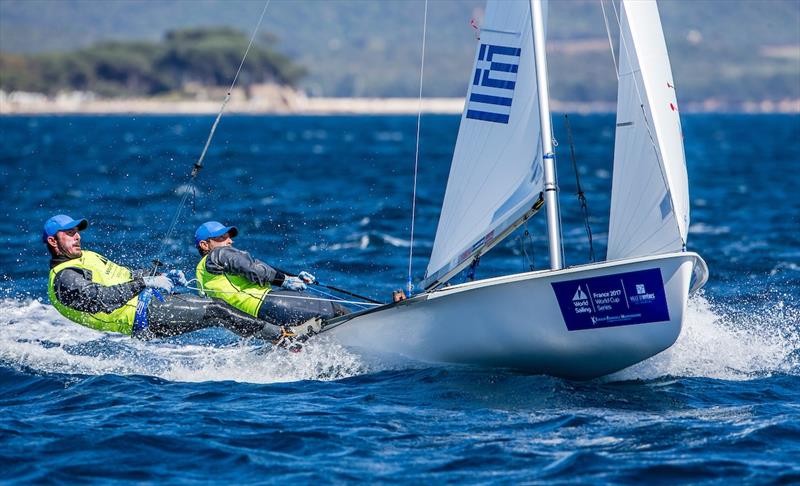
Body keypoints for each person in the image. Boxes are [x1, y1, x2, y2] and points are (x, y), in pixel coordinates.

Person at [44, 214, 298, 342]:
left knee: (221, 310)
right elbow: (103, 300)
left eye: (76, 232)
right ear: (53, 241)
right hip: (141, 318)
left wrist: (156, 276)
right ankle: (282, 339)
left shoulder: (86, 256)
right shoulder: (65, 278)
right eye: (69, 233)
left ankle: (278, 332)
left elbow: (124, 275)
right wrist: (144, 283)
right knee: (216, 309)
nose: (77, 236)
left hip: (151, 302)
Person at [194, 221, 348, 327]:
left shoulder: (202, 272)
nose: (229, 241)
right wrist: (284, 281)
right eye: (222, 237)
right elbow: (253, 269)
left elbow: (254, 269)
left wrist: (291, 277)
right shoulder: (219, 253)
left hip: (254, 319)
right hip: (267, 304)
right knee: (337, 311)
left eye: (229, 237)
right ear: (204, 244)